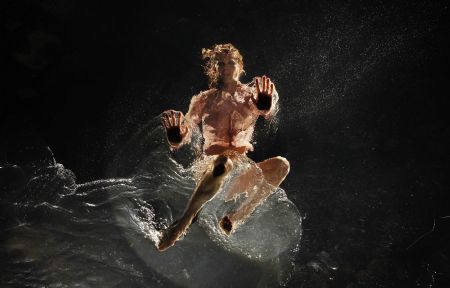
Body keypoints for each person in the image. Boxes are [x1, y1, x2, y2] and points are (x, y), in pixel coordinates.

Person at [158, 43, 290, 251]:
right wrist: (175, 137)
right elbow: (186, 133)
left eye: (231, 62)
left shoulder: (250, 96)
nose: (225, 67)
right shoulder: (202, 100)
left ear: (241, 66)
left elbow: (265, 109)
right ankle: (181, 225)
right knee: (223, 162)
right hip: (212, 169)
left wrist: (266, 106)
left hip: (240, 169)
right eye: (219, 63)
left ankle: (235, 219)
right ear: (213, 69)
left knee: (282, 165)